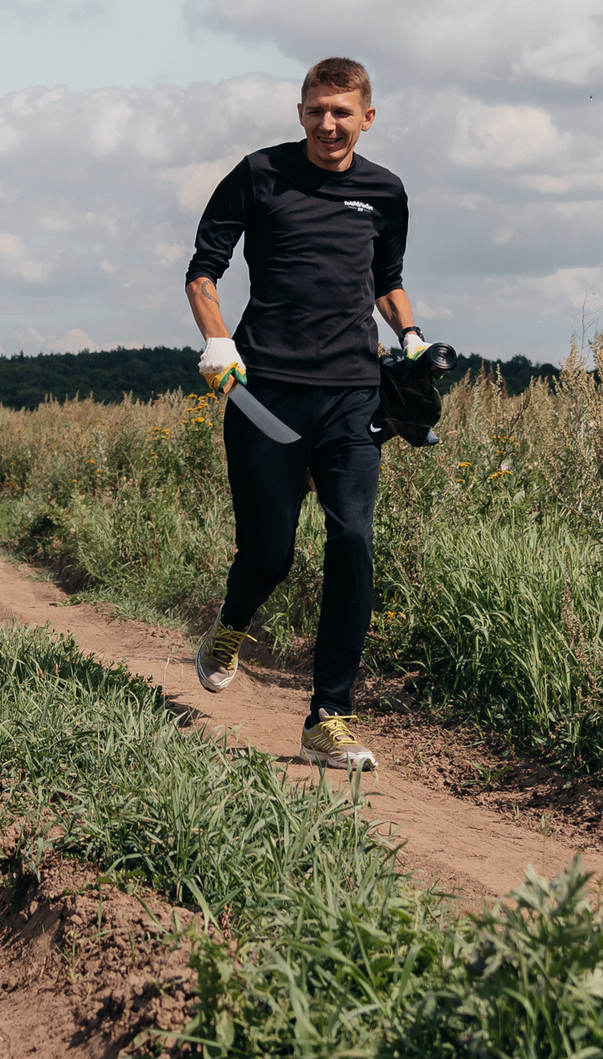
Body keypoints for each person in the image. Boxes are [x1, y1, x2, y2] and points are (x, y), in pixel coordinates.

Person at [183, 55, 431, 773]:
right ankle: (231, 625)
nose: (329, 123)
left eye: (342, 112)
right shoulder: (260, 175)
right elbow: (205, 268)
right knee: (270, 553)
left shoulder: (385, 191)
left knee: (353, 538)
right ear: (300, 113)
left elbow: (387, 282)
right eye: (317, 109)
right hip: (265, 393)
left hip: (355, 392)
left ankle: (329, 716)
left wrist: (409, 337)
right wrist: (217, 340)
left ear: (367, 118)